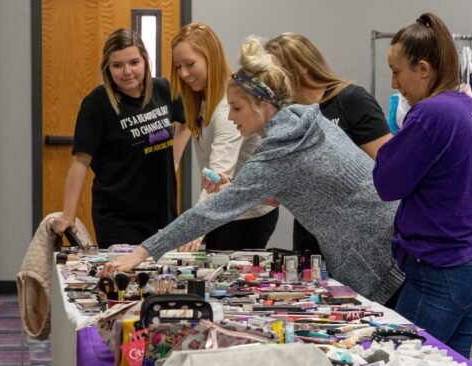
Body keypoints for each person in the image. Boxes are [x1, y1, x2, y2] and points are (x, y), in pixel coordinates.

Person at [103, 36, 405, 305]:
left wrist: (142, 252)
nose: (232, 117)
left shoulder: (280, 148)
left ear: (261, 103)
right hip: (394, 236)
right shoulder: (303, 121)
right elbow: (279, 190)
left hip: (379, 255)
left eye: (236, 108)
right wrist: (236, 186)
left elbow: (210, 212)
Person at [373, 13, 472, 358]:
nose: (395, 84)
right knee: (449, 365)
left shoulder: (430, 114)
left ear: (423, 69)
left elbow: (386, 184)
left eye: (397, 72)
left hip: (442, 266)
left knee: (402, 362)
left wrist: (389, 146)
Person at [51, 29, 189, 249]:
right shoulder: (97, 104)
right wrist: (69, 214)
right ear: (108, 68)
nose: (127, 71)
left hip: (163, 213)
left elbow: (188, 121)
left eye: (134, 62)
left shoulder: (162, 90)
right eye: (117, 65)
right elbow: (80, 161)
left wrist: (176, 157)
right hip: (118, 219)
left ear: (145, 60)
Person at [265, 33, 391, 258]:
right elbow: (278, 191)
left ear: (302, 66)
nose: (270, 81)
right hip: (309, 240)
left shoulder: (351, 100)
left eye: (276, 72)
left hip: (356, 238)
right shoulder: (288, 116)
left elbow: (388, 168)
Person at [170, 23, 278, 251]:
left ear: (211, 57)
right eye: (178, 66)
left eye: (190, 64)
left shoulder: (227, 109)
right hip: (224, 208)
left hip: (246, 216)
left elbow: (219, 174)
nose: (184, 74)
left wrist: (192, 228)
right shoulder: (199, 100)